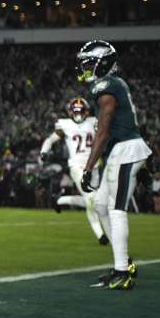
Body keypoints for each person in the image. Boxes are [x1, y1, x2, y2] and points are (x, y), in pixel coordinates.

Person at [76, 40, 151, 290]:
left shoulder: (106, 86)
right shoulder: (112, 84)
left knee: (116, 209)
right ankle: (123, 261)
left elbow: (104, 132)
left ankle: (122, 271)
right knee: (100, 205)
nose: (84, 68)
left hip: (126, 149)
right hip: (120, 151)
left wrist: (88, 168)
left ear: (102, 63)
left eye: (88, 63)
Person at [40, 97, 107, 243]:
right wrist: (44, 151)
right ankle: (101, 235)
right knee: (90, 199)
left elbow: (104, 135)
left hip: (93, 167)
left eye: (80, 111)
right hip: (77, 167)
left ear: (86, 111)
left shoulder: (93, 122)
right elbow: (50, 139)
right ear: (70, 111)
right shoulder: (65, 124)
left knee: (93, 200)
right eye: (75, 111)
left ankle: (60, 200)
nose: (78, 114)